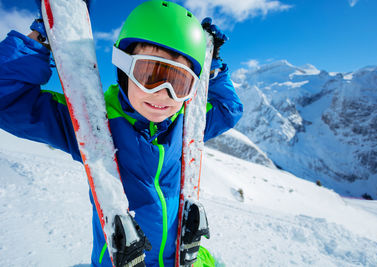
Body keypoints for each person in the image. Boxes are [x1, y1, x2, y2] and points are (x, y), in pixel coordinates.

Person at [0, 0, 243, 266]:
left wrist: (213, 71)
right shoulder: (91, 123)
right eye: (149, 74)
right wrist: (43, 37)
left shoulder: (186, 126)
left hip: (182, 259)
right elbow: (6, 98)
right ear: (124, 68)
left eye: (179, 82)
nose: (163, 94)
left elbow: (228, 109)